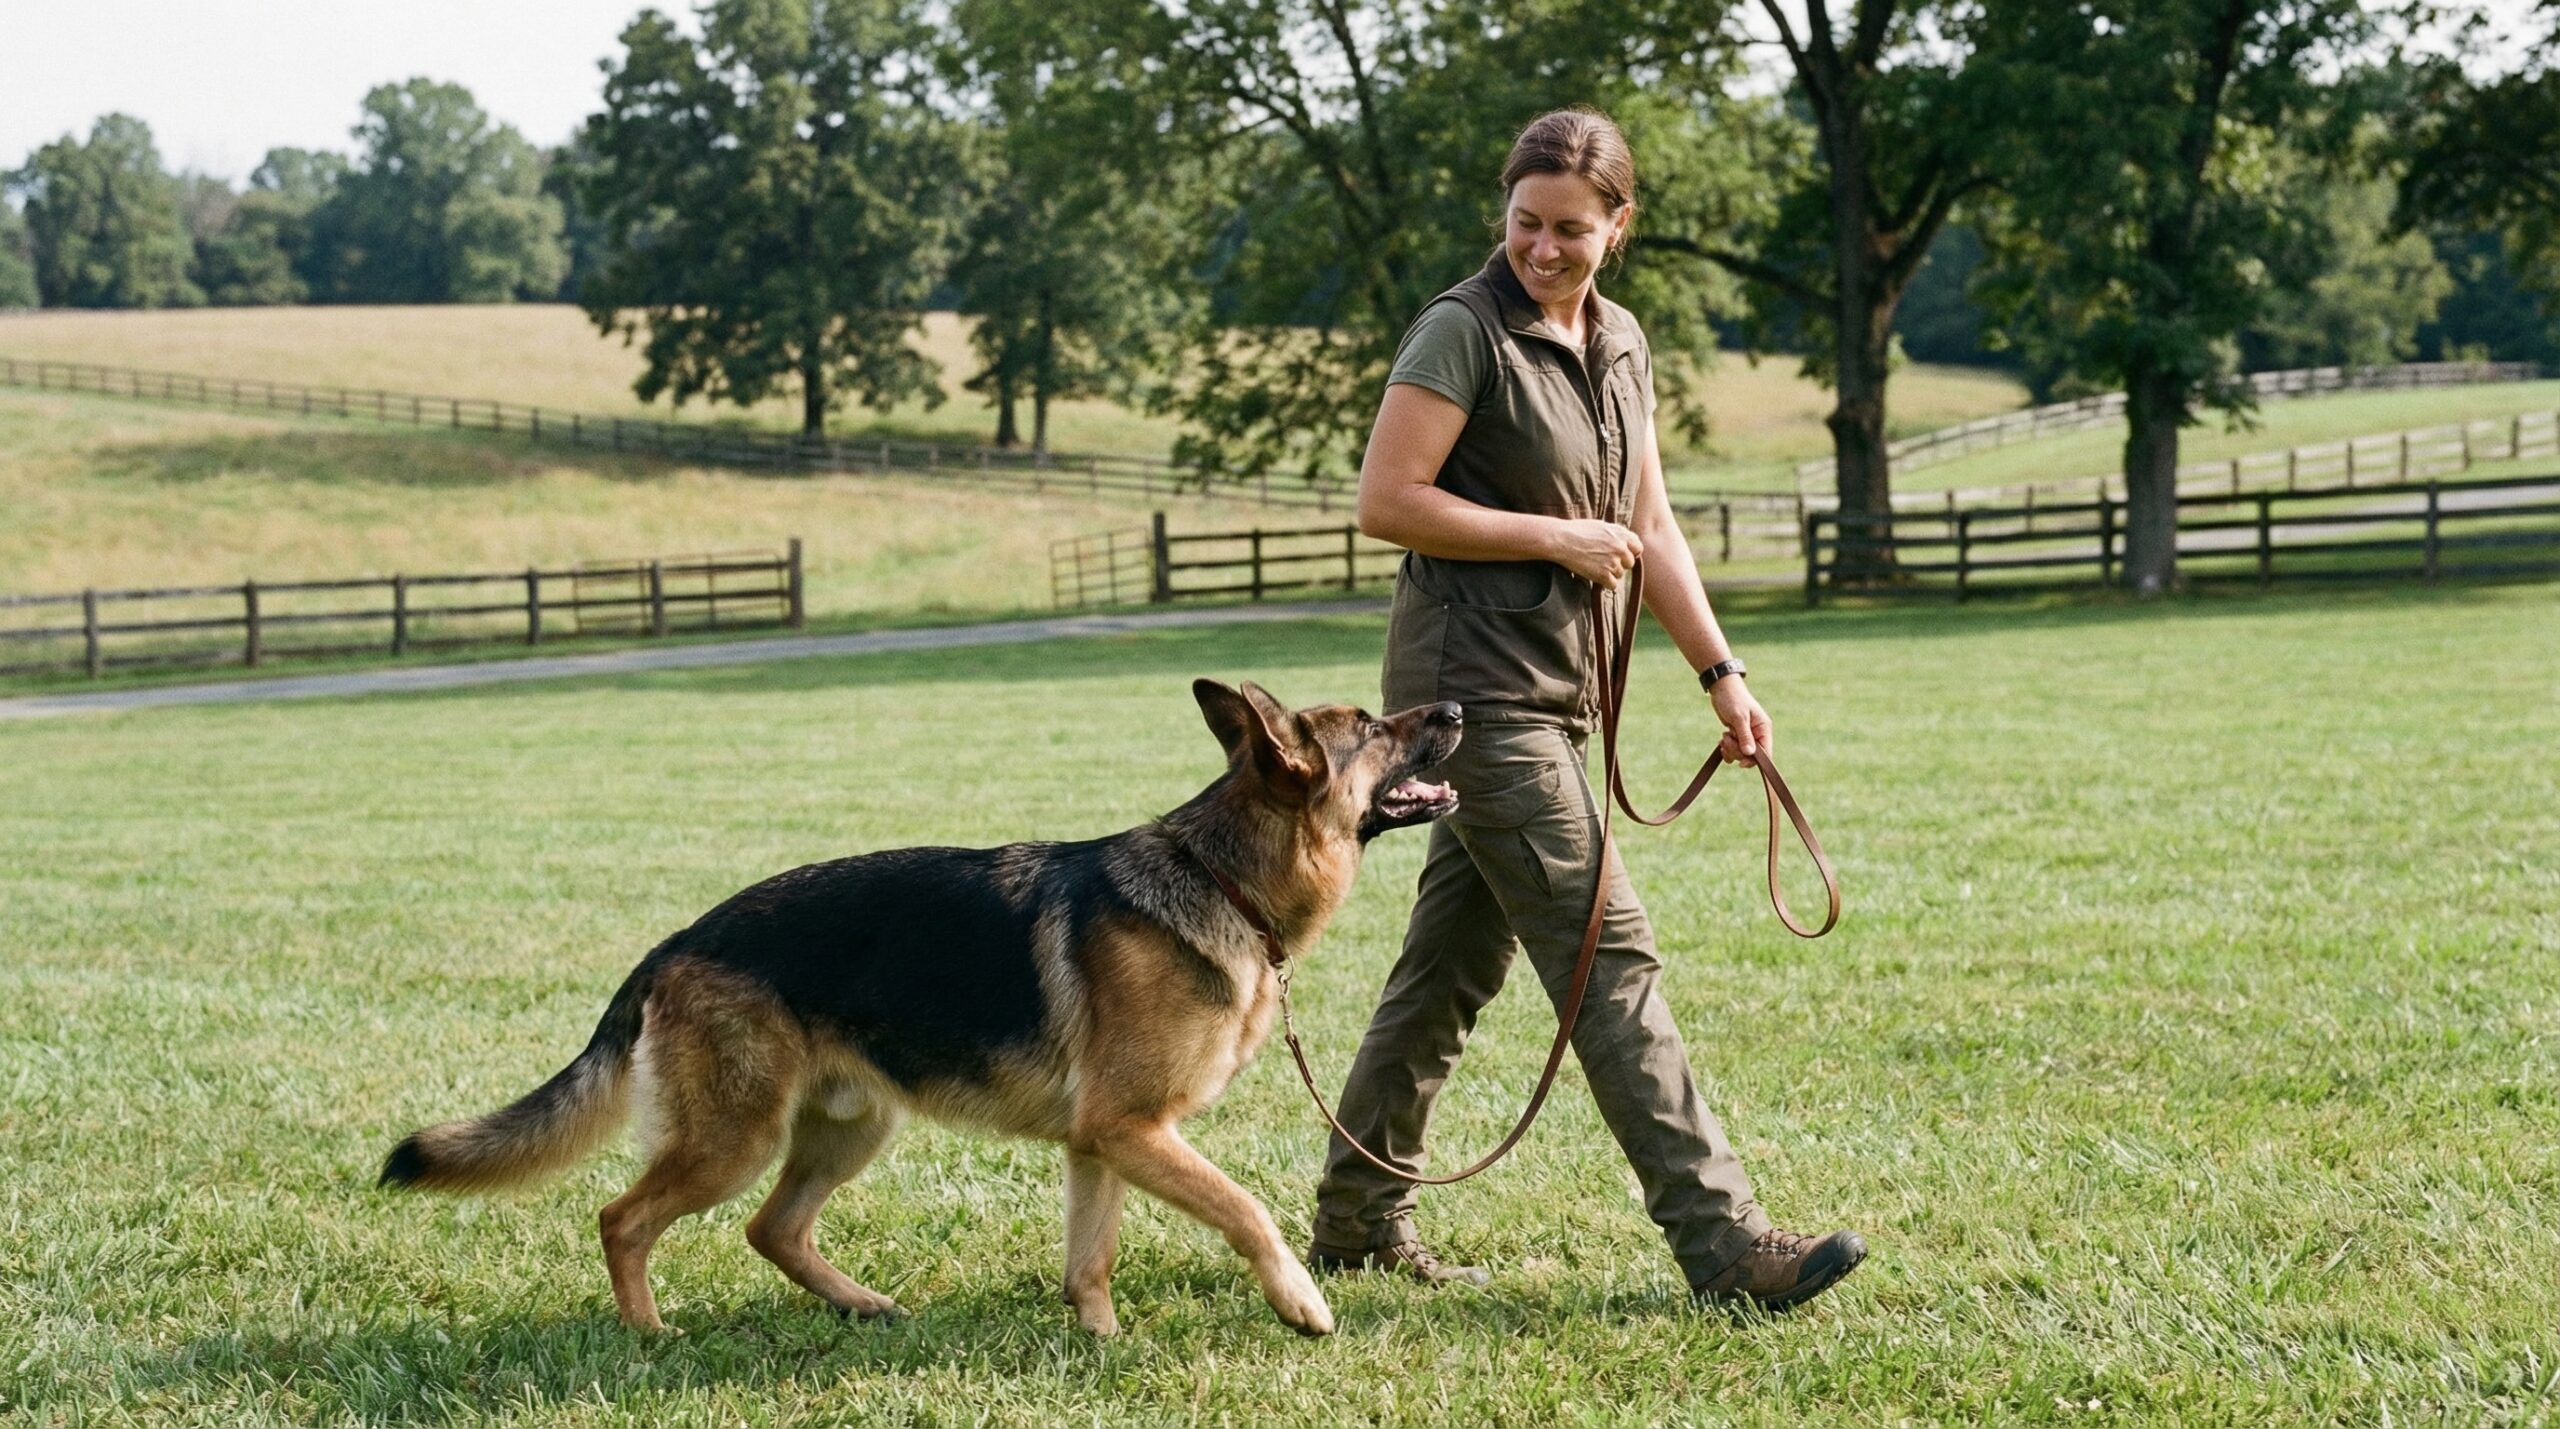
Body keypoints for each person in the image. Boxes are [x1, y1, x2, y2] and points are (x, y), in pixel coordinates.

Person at [1303, 107, 1865, 1312]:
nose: (1541, 250)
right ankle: (1726, 1247)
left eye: (1569, 229)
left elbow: (1652, 524)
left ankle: (1353, 1220)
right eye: (1523, 223)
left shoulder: (1618, 344)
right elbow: (1386, 500)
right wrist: (1551, 534)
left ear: (1618, 226)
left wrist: (1723, 675)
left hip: (1558, 696)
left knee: (1447, 966)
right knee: (1609, 955)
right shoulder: (1461, 332)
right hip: (1472, 697)